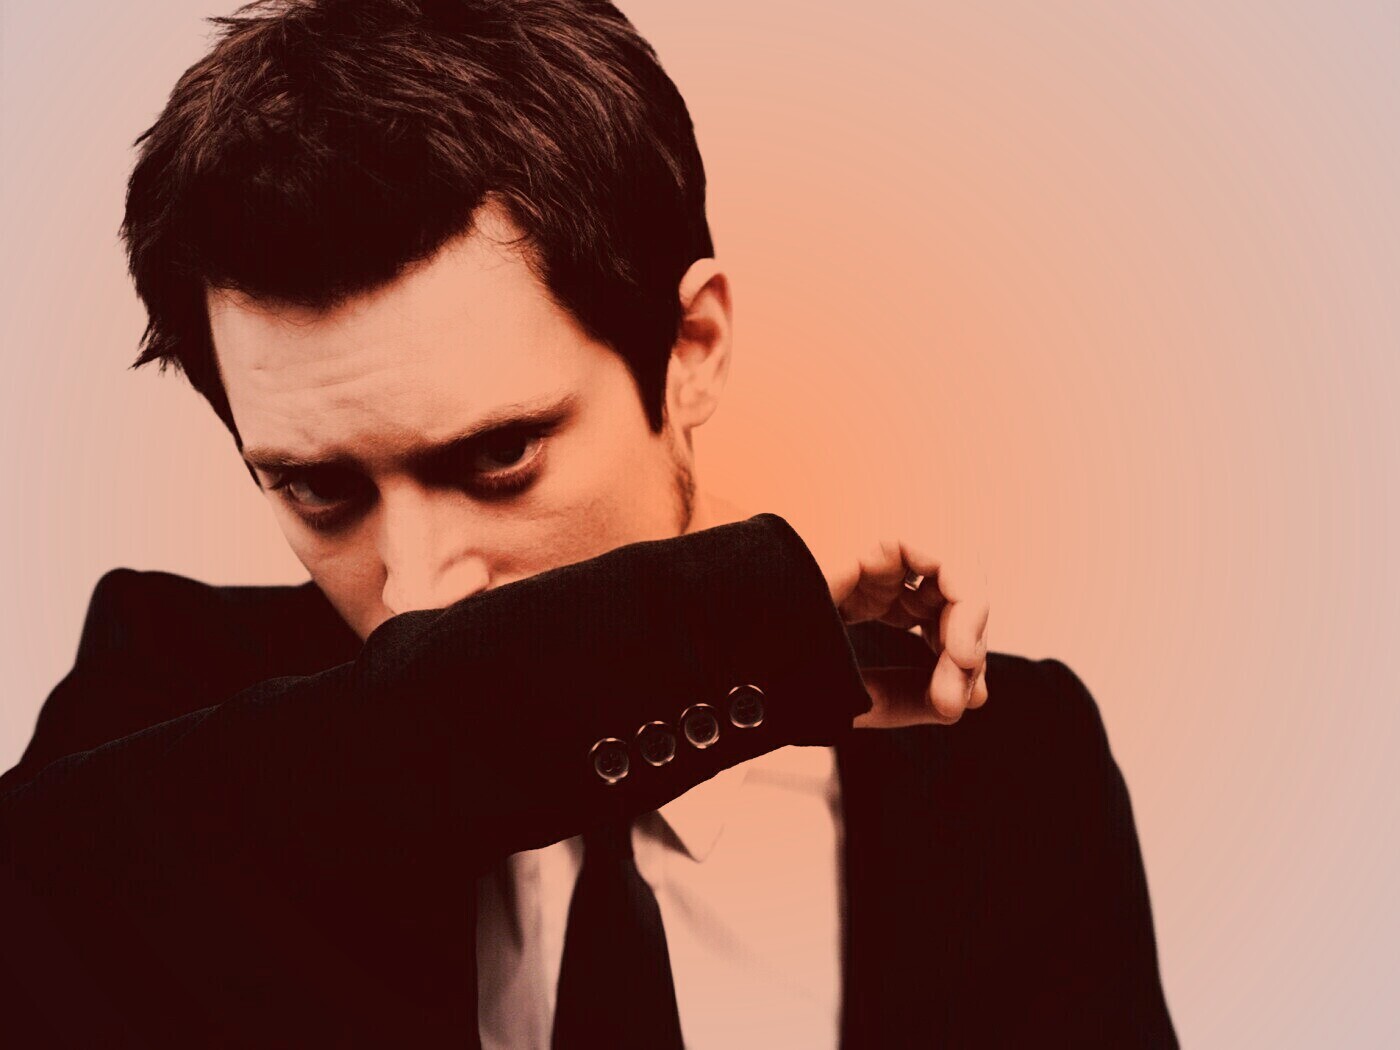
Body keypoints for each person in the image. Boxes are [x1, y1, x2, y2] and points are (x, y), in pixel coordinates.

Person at [0, 0, 1177, 1046]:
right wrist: (721, 640)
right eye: (319, 489)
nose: (418, 590)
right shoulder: (161, 706)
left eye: (499, 456)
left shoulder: (1009, 770)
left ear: (691, 349)